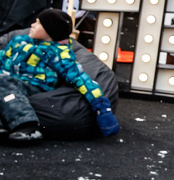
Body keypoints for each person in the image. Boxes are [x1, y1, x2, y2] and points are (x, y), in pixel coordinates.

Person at [0, 8, 118, 144]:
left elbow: (79, 77)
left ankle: (27, 125)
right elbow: (3, 57)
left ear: (50, 31)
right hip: (10, 84)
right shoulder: (19, 42)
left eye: (38, 23)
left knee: (3, 81)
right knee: (3, 83)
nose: (32, 25)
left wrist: (101, 105)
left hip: (35, 86)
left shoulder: (58, 53)